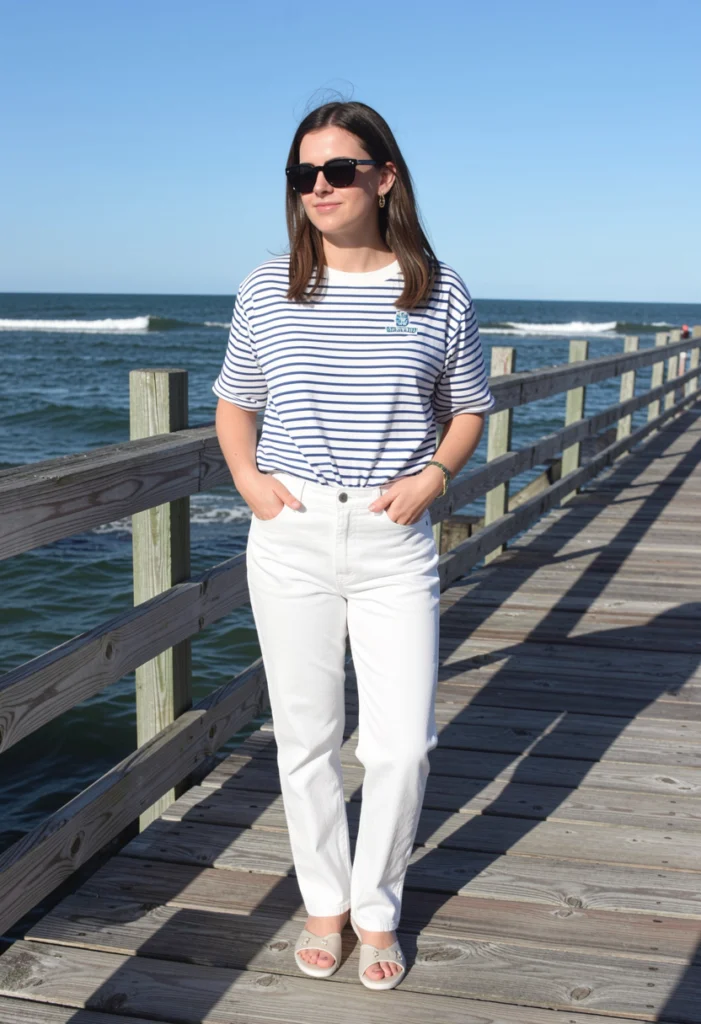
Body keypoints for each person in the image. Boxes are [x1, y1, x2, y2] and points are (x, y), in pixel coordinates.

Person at [212, 100, 495, 992]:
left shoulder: (435, 288)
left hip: (392, 536)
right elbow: (234, 401)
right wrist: (252, 486)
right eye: (304, 175)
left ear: (384, 177)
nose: (319, 188)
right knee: (304, 737)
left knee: (400, 744)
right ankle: (325, 903)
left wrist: (435, 477)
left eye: (338, 170)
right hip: (290, 534)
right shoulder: (270, 286)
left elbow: (470, 406)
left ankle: (377, 908)